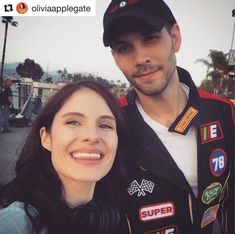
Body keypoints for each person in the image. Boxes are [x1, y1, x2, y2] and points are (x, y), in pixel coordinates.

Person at [102, 0, 234, 233]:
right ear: (115, 57)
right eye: (124, 48)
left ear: (175, 37)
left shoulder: (224, 111)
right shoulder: (108, 123)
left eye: (150, 38)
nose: (140, 58)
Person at [0, 80, 131, 234]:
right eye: (73, 122)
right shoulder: (18, 224)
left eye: (105, 125)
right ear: (46, 138)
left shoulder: (118, 216)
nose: (92, 136)